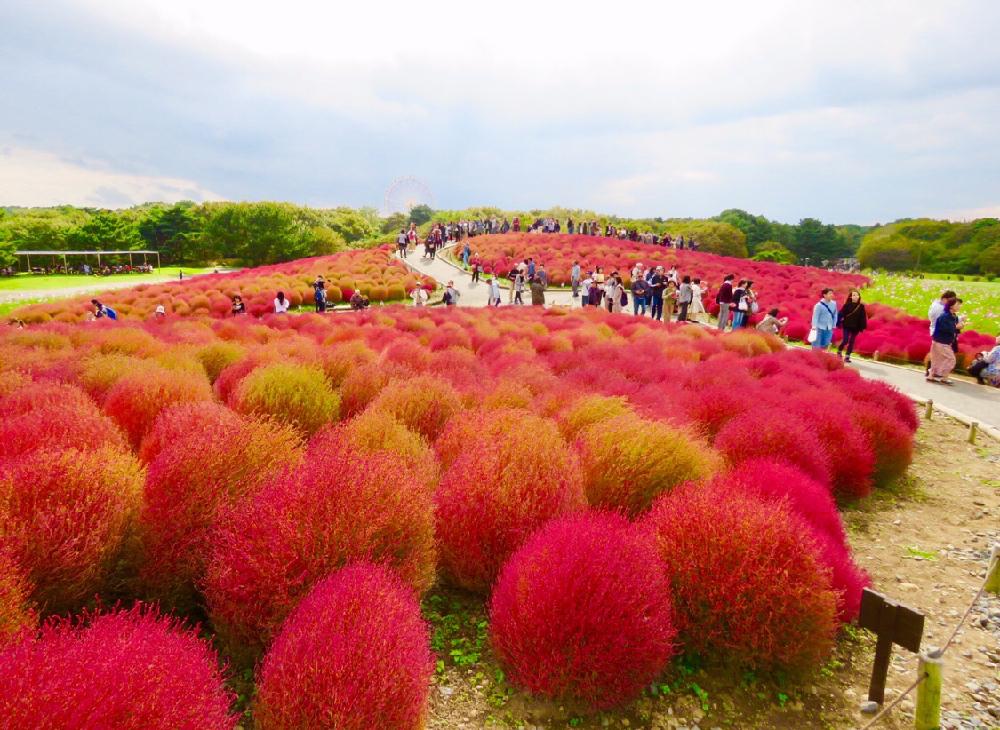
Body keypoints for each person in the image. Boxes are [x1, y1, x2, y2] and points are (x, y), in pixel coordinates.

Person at [928, 296, 960, 384]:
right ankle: (943, 377)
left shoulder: (952, 316)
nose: (959, 306)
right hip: (941, 342)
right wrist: (956, 327)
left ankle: (931, 376)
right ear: (951, 306)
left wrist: (958, 327)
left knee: (937, 359)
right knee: (951, 359)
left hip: (941, 341)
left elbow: (953, 329)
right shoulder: (945, 316)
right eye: (957, 304)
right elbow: (945, 328)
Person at [836, 289, 868, 363]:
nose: (855, 296)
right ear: (851, 297)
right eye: (853, 295)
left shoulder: (861, 306)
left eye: (857, 295)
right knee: (845, 340)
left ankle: (847, 356)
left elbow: (862, 317)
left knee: (852, 342)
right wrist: (838, 323)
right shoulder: (847, 305)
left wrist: (862, 327)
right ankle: (839, 350)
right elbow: (840, 314)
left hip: (855, 328)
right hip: (846, 325)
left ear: (859, 296)